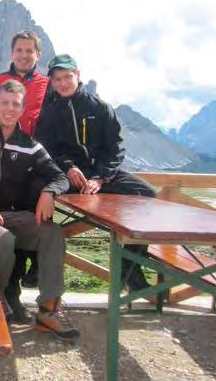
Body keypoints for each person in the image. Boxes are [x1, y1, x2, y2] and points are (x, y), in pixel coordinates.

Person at [35, 54, 156, 291]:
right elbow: (45, 148)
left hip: (100, 174)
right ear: (51, 81)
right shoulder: (49, 112)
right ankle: (38, 263)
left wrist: (100, 177)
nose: (63, 83)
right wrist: (68, 166)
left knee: (147, 194)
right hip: (67, 175)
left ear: (78, 75)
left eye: (67, 76)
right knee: (38, 190)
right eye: (57, 79)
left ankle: (130, 267)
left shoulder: (99, 107)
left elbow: (115, 147)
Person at [0, 80, 78, 341]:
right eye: (4, 103)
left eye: (16, 104)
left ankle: (48, 310)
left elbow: (60, 176)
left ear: (22, 110)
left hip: (14, 216)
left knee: (52, 233)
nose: (10, 109)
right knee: (5, 240)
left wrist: (49, 191)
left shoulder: (31, 145)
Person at [0, 30, 49, 136]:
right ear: (12, 53)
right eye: (19, 50)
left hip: (34, 145)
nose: (24, 55)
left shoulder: (47, 84)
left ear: (38, 55)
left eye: (29, 51)